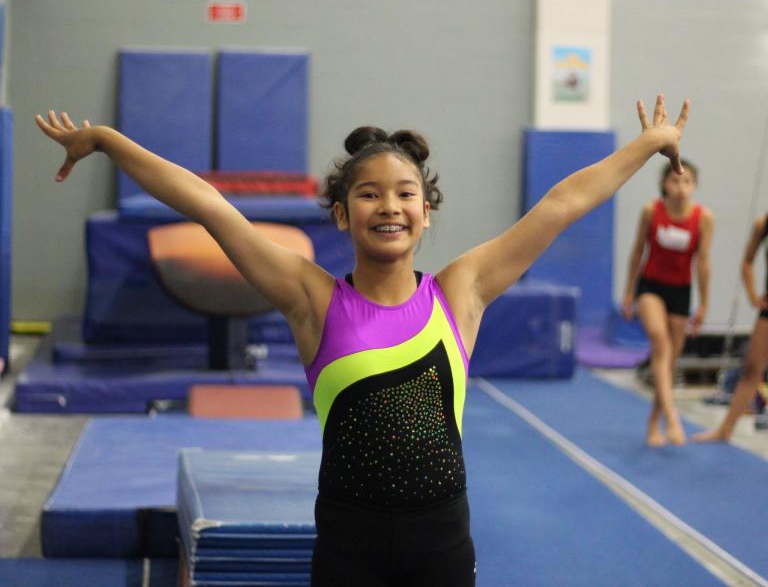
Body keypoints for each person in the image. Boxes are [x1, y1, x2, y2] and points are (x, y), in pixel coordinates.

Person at [36, 94, 689, 587]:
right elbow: (207, 204)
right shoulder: (312, 299)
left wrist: (649, 144)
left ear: (425, 211)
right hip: (349, 543)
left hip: (441, 540)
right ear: (343, 214)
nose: (389, 206)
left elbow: (561, 204)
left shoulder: (460, 292)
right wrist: (103, 140)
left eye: (405, 193)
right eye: (369, 194)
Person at [621, 159, 714, 447]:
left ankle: (653, 421)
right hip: (651, 286)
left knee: (670, 359)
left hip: (681, 291)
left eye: (686, 182)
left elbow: (703, 264)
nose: (681, 187)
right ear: (664, 184)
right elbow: (637, 251)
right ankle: (673, 417)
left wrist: (703, 305)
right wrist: (628, 293)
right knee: (660, 343)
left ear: (694, 186)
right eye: (675, 181)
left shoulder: (703, 218)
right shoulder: (652, 211)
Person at [693, 214, 768, 443]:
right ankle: (725, 429)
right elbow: (747, 262)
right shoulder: (762, 223)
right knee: (752, 367)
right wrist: (753, 295)